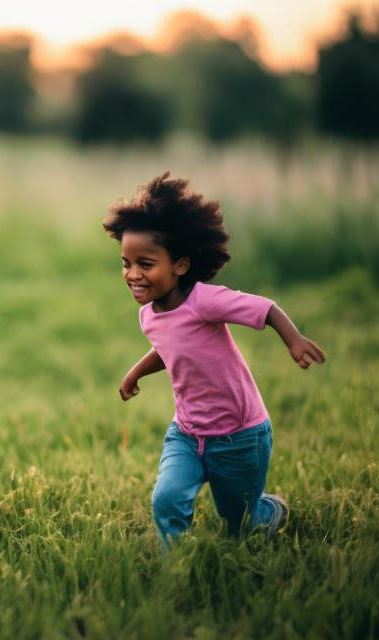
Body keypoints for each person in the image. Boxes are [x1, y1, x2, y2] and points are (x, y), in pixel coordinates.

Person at [102, 173, 325, 545]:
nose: (133, 275)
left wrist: (293, 339)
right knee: (167, 499)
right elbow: (168, 348)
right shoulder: (148, 314)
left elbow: (264, 307)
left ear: (180, 266)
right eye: (126, 263)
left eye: (145, 263)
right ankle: (176, 563)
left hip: (240, 435)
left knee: (238, 526)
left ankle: (267, 512)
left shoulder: (205, 300)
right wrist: (134, 374)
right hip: (187, 434)